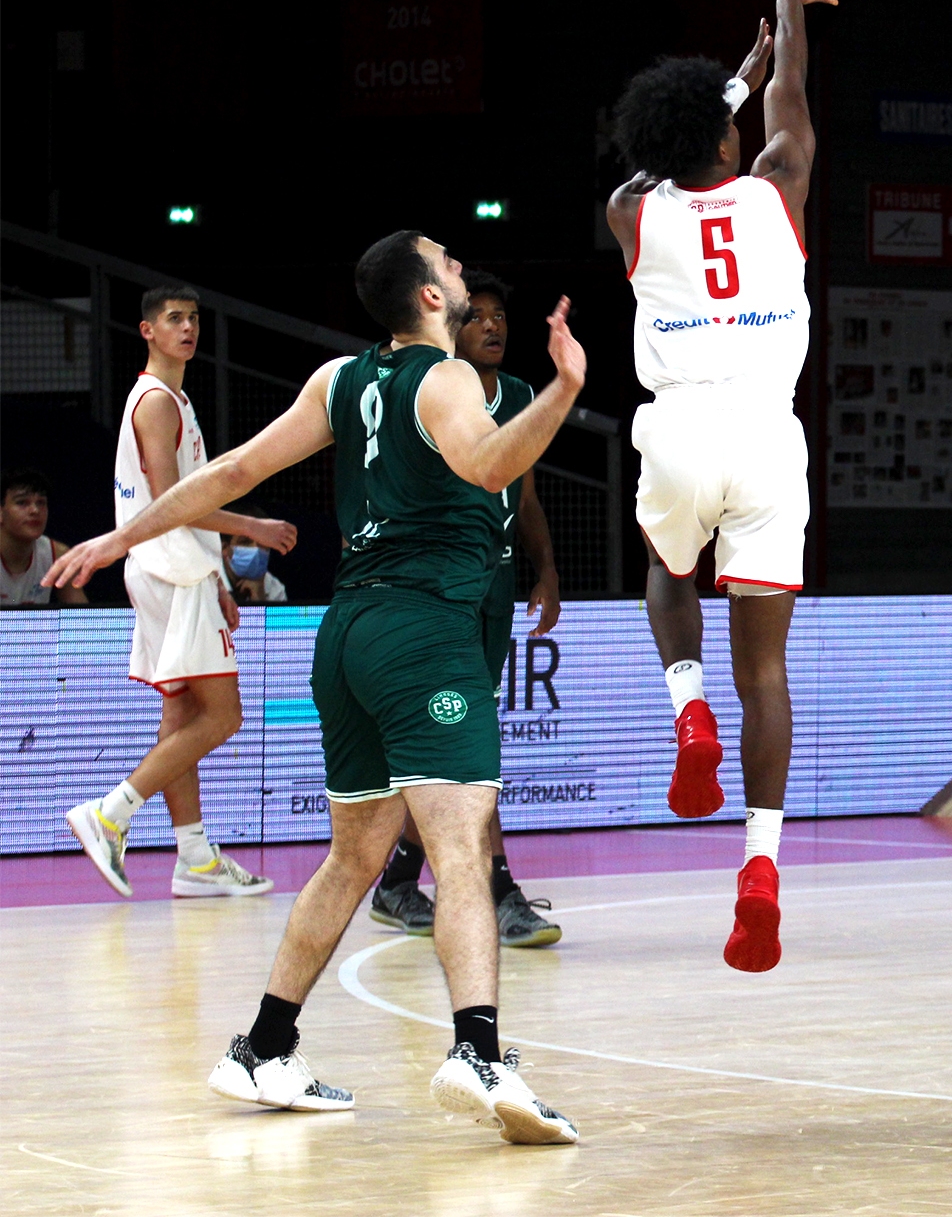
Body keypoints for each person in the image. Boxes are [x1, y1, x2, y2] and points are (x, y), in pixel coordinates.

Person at [46, 232, 587, 1143]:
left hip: (347, 637)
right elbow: (493, 466)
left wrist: (117, 536)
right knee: (459, 845)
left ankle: (263, 1047)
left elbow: (231, 473)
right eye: (448, 264)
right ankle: (481, 1053)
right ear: (425, 298)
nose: (461, 272)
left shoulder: (340, 378)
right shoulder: (445, 378)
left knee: (355, 853)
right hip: (424, 630)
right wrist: (568, 388)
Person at [606, 0, 864, 973]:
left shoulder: (635, 213)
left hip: (679, 423)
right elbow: (790, 103)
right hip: (768, 431)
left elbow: (645, 164)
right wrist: (787, 22)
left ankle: (686, 706)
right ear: (731, 141)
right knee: (769, 665)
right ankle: (760, 869)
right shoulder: (780, 182)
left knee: (669, 569)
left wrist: (720, 92)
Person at [63, 285, 296, 898]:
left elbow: (184, 503)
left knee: (182, 720)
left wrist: (221, 577)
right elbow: (175, 505)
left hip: (175, 570)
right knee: (224, 715)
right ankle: (110, 812)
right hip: (171, 570)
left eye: (193, 318)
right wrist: (252, 526)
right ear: (147, 331)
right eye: (174, 319)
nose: (187, 328)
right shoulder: (157, 402)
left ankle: (193, 857)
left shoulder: (175, 398)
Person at [368, 269, 564, 950]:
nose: (492, 325)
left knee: (458, 747)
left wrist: (546, 570)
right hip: (438, 588)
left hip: (495, 585)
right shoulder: (429, 392)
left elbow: (527, 496)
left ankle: (397, 880)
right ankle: (497, 891)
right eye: (476, 314)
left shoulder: (517, 395)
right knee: (468, 748)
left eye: (499, 314)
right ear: (449, 326)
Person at [0, 468, 86, 606]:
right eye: (22, 503)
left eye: (41, 503)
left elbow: (82, 619)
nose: (35, 510)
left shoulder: (58, 555)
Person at [220, 501, 289, 604]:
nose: (255, 549)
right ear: (224, 548)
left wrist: (260, 601)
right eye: (245, 542)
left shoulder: (273, 587)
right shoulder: (206, 582)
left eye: (263, 542)